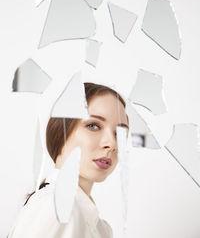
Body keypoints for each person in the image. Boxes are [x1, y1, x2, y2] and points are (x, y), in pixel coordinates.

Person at [8, 82, 129, 238]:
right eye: (93, 125)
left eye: (119, 134)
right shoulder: (53, 208)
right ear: (61, 131)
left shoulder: (99, 227)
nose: (112, 144)